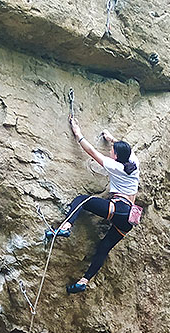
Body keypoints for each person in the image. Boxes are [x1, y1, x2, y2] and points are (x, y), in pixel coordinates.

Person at [46, 117, 140, 294]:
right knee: (103, 248)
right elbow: (127, 149)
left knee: (82, 200)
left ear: (116, 156)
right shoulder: (134, 164)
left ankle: (65, 227)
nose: (111, 152)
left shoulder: (115, 166)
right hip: (129, 220)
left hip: (119, 208)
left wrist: (78, 133)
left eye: (113, 150)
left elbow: (91, 151)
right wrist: (111, 138)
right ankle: (83, 281)